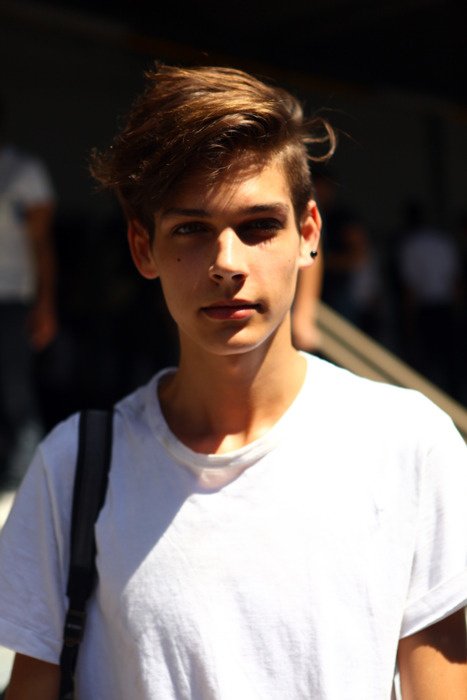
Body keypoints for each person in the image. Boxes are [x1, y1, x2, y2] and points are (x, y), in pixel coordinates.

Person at [0, 65, 466, 699]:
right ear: (143, 248)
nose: (226, 263)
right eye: (191, 229)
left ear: (308, 235)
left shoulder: (409, 445)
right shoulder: (74, 469)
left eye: (259, 226)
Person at [0, 122, 57, 487]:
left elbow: (41, 243)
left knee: (13, 388)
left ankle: (22, 478)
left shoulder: (22, 170)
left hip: (12, 295)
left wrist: (45, 303)